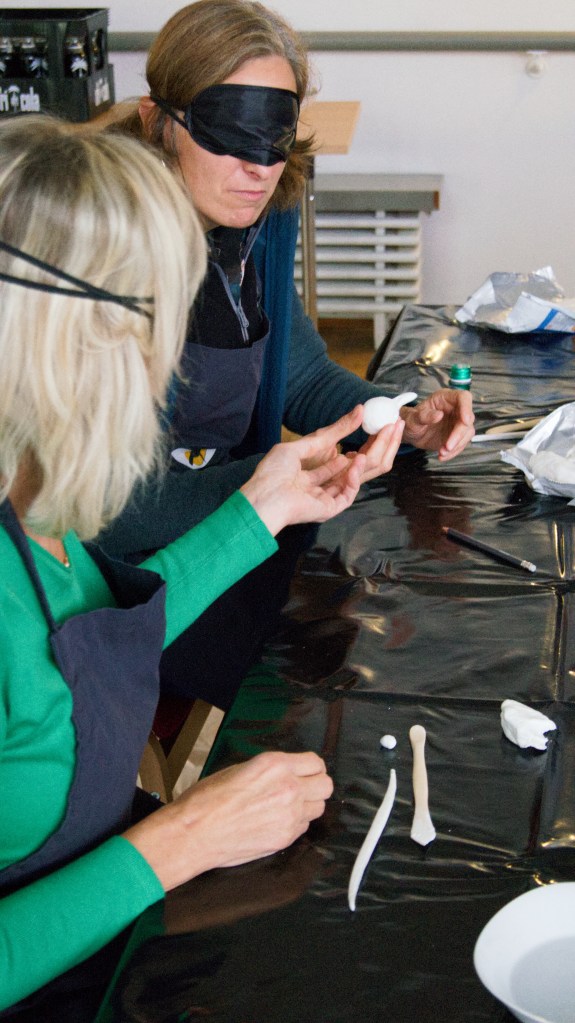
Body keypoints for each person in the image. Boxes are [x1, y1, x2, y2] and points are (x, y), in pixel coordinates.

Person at [0, 115, 404, 1019]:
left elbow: (96, 647)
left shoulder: (34, 503)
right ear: (79, 342)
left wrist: (264, 503)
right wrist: (180, 840)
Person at [102, 0, 475, 712]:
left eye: (273, 138)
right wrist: (270, 485)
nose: (256, 167)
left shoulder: (254, 225)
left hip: (237, 532)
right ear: (158, 122)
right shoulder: (112, 258)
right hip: (124, 587)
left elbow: (297, 372)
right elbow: (97, 505)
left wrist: (398, 413)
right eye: (226, 133)